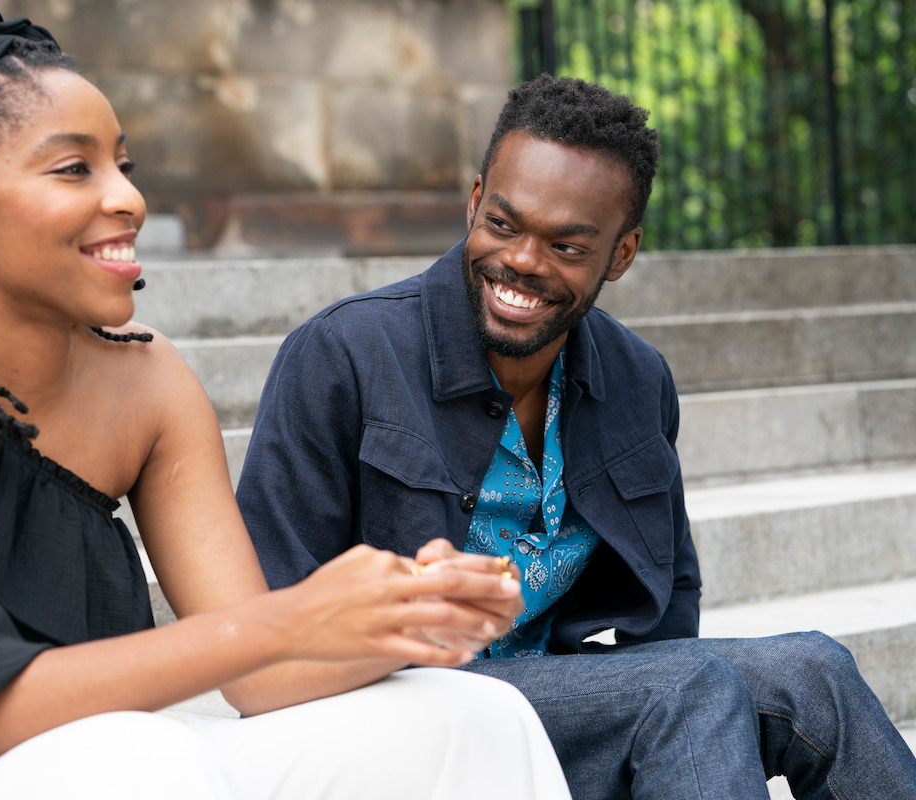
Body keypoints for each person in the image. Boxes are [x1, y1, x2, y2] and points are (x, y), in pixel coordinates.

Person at [0, 3, 575, 799]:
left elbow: (258, 674)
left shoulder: (147, 382)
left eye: (121, 163)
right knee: (141, 755)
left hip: (97, 765)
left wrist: (403, 621)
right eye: (73, 168)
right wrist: (292, 619)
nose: (126, 196)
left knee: (469, 715)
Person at [237, 74, 916, 800]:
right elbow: (260, 633)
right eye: (503, 224)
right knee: (686, 687)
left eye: (565, 244)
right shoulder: (344, 355)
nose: (523, 261)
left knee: (815, 671)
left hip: (551, 704)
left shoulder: (637, 380)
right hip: (393, 706)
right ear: (474, 203)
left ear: (620, 255)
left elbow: (670, 590)